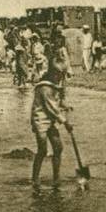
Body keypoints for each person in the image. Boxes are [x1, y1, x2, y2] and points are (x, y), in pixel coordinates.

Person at [30, 63, 72, 191]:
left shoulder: (56, 85)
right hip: (40, 120)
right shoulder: (44, 87)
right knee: (42, 150)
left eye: (62, 75)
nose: (60, 78)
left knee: (58, 148)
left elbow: (59, 100)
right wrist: (65, 122)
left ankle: (56, 178)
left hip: (51, 120)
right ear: (52, 74)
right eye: (59, 75)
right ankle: (35, 178)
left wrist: (66, 106)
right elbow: (51, 108)